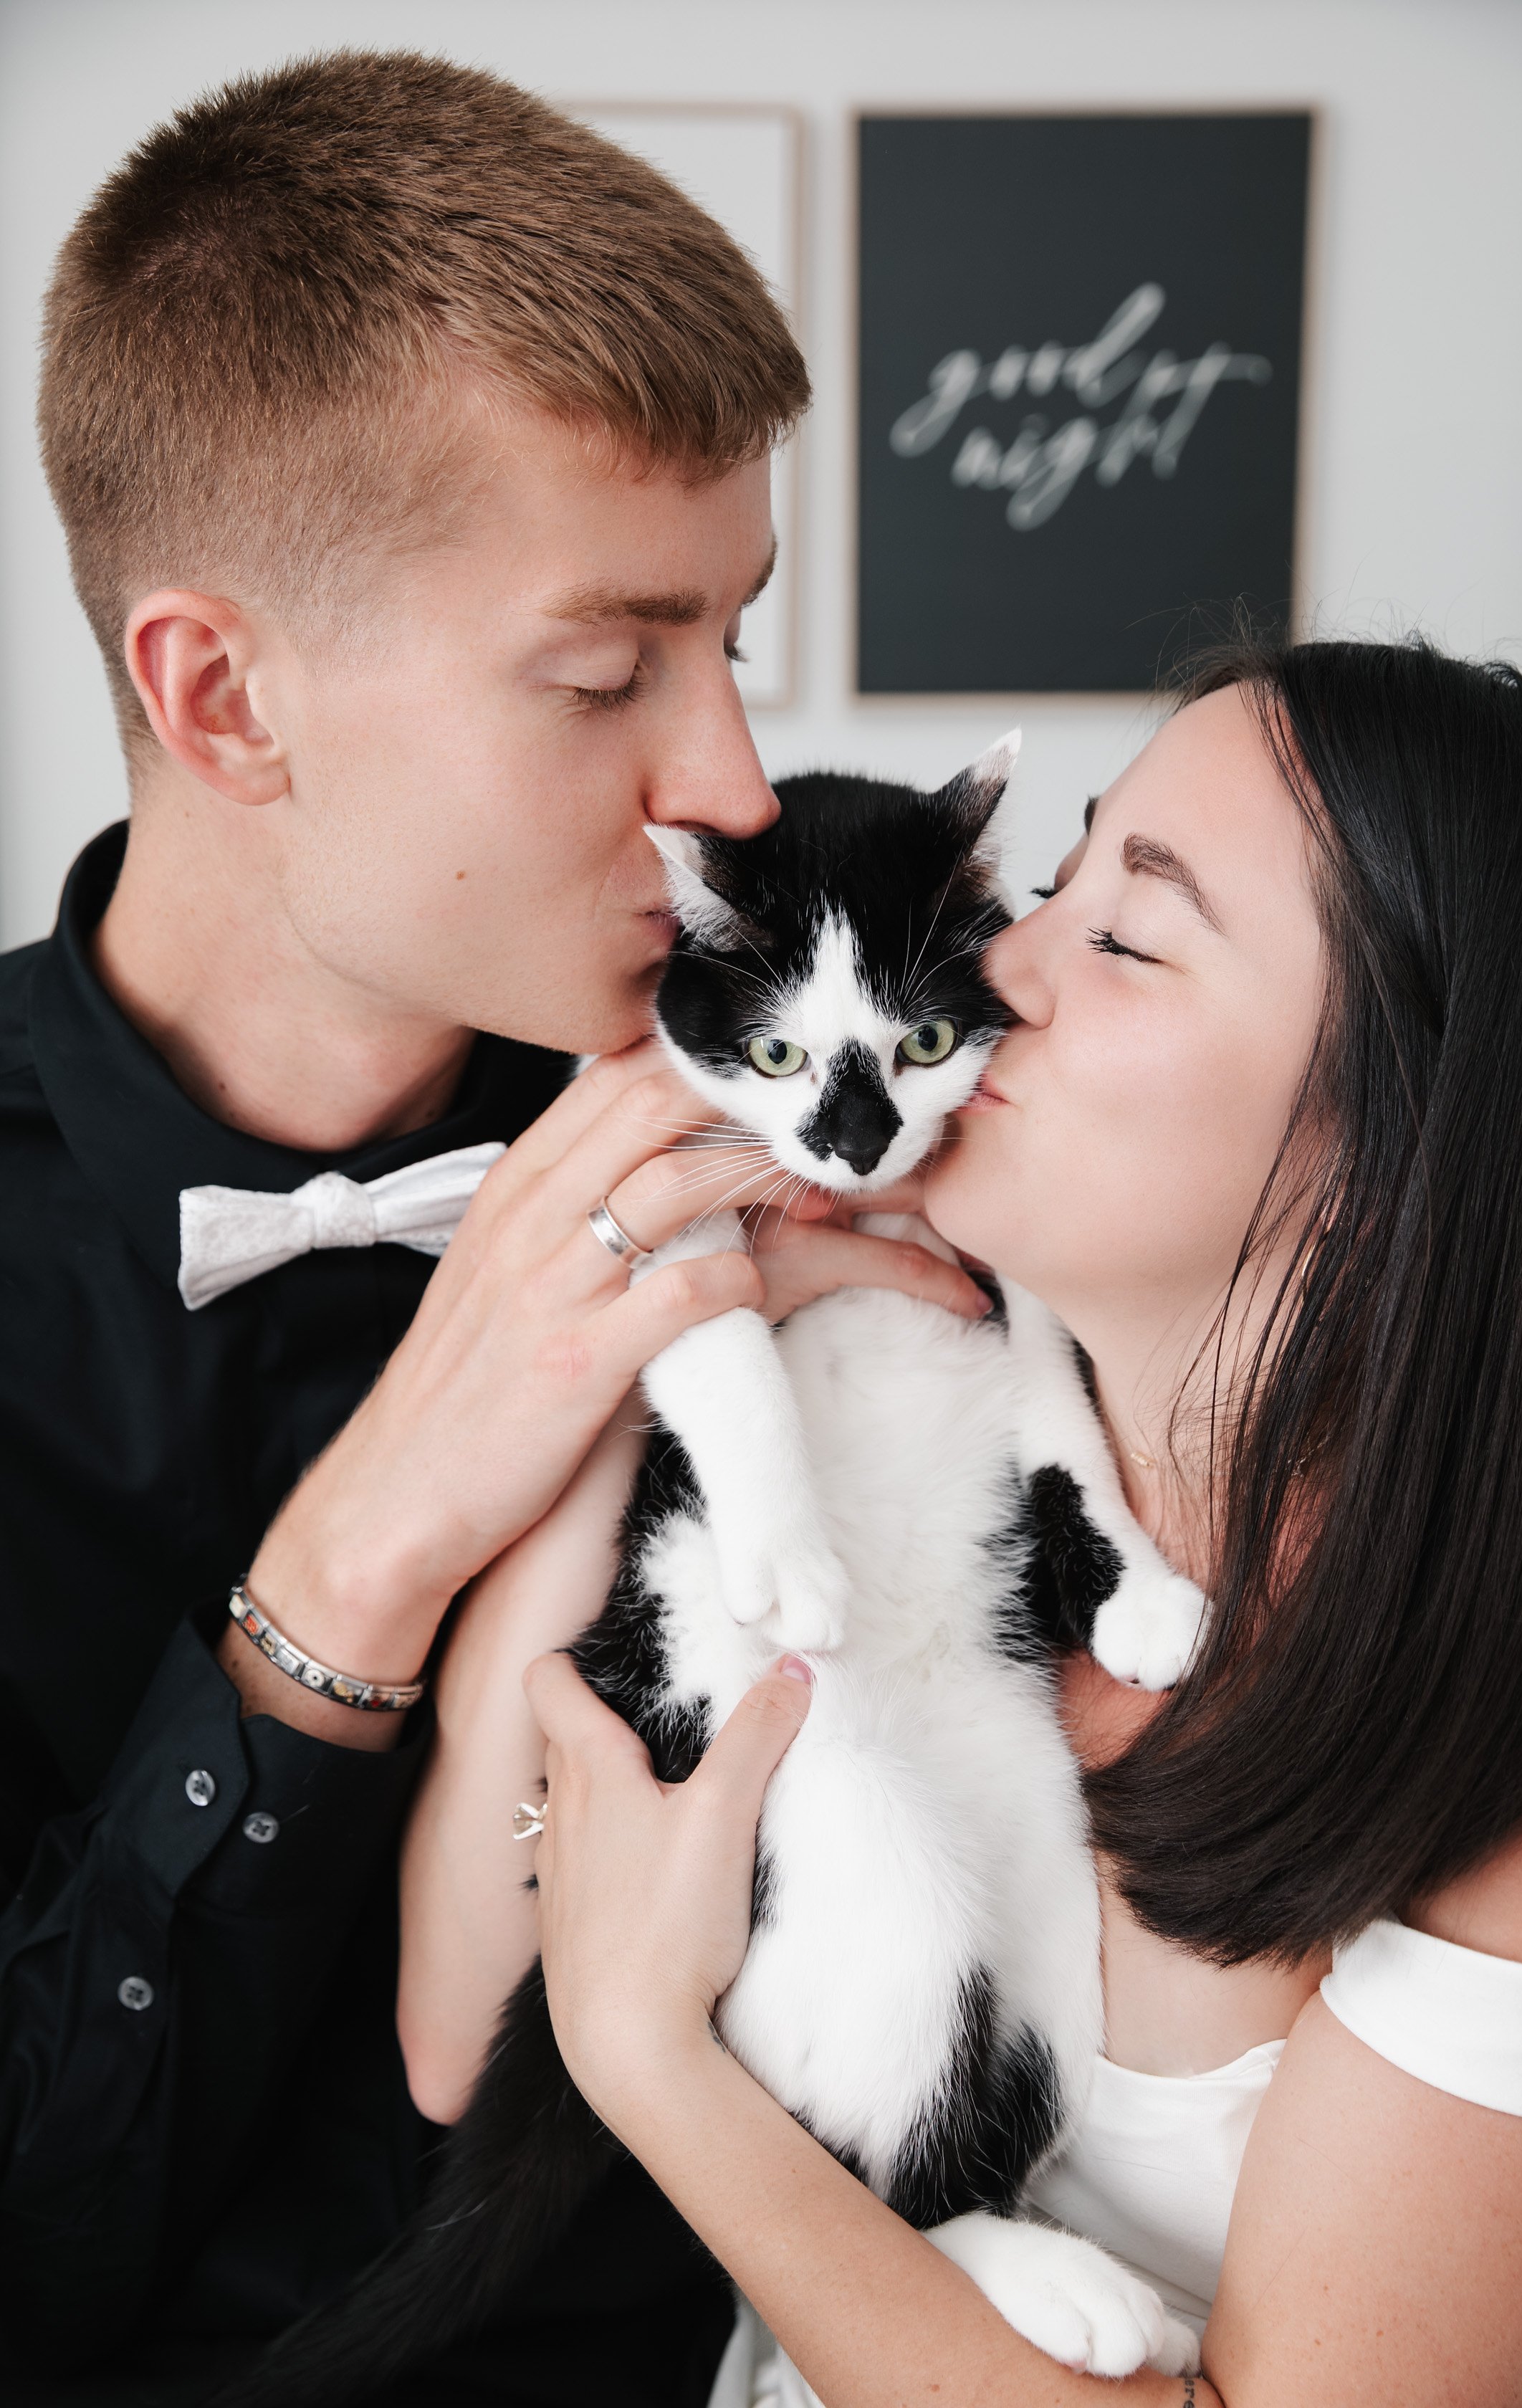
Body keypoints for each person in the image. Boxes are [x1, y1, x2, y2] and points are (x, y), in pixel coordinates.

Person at [0, 50, 989, 2407]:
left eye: (730, 639)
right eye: (604, 670)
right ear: (222, 697)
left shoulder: (825, 1132)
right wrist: (347, 1572)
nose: (739, 781)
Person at [401, 641, 1522, 2408]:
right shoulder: (921, 1399)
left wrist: (654, 2058)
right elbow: (454, 2028)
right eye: (1049, 883)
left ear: (1406, 1135)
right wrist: (637, 1337)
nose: (995, 968)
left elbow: (594, 2009)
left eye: (1121, 934)